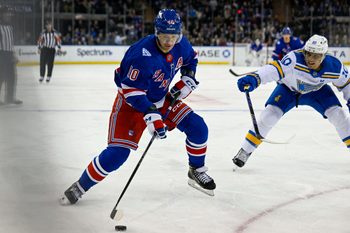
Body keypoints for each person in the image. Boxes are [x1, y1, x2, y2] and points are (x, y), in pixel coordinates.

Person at [60, 9, 216, 205]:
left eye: (173, 37)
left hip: (161, 100)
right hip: (131, 103)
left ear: (180, 34)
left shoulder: (180, 44)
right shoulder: (141, 54)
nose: (169, 42)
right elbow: (131, 90)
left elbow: (191, 60)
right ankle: (80, 186)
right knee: (118, 153)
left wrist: (188, 77)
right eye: (164, 36)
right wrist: (151, 115)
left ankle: (196, 170)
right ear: (156, 33)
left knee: (198, 128)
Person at [233, 34, 350, 168]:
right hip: (289, 90)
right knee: (269, 116)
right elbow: (274, 69)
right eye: (308, 54)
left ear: (324, 56)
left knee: (339, 115)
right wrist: (255, 78)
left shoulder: (335, 67)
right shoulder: (294, 59)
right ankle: (245, 150)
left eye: (316, 56)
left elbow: (347, 84)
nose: (310, 59)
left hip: (318, 92)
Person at [0, 6, 22, 105]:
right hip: (1, 54)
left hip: (9, 54)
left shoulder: (10, 27)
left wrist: (13, 55)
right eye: (6, 13)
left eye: (9, 13)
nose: (8, 15)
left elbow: (10, 43)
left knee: (12, 77)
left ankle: (10, 98)